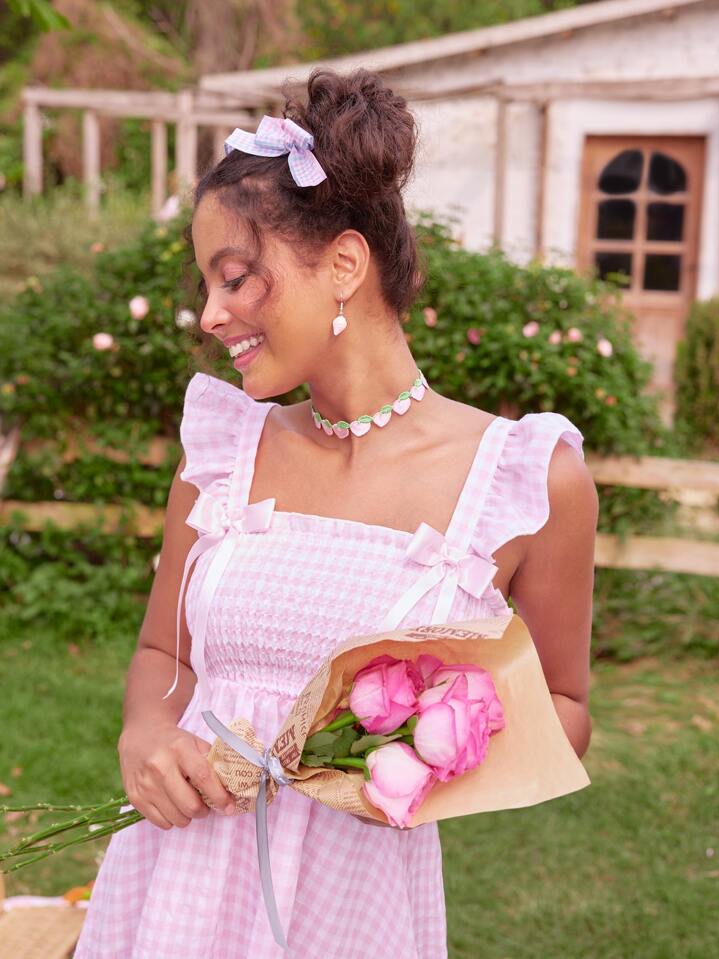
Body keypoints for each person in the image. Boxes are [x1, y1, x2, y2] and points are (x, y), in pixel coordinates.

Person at [74, 66, 598, 959]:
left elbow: (565, 707)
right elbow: (166, 653)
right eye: (208, 286)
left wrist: (426, 757)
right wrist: (147, 732)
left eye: (236, 279)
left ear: (345, 265)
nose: (211, 315)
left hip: (354, 908)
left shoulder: (524, 480)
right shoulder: (222, 455)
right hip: (178, 889)